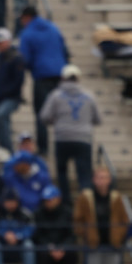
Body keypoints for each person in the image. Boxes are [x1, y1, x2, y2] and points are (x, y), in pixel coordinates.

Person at [40, 64, 100, 204]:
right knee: (84, 175)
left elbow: (44, 116)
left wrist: (57, 121)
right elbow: (98, 119)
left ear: (63, 78)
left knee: (62, 173)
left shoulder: (56, 95)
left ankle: (66, 202)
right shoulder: (88, 96)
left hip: (62, 138)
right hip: (83, 139)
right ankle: (86, 204)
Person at [74, 166, 129, 264]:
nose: (102, 181)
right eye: (99, 177)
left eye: (105, 177)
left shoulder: (116, 197)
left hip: (113, 245)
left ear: (110, 180)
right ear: (94, 179)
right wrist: (87, 234)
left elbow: (125, 220)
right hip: (94, 246)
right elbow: (77, 220)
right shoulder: (86, 197)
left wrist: (119, 235)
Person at [19, 6, 68, 151]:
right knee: (62, 113)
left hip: (42, 77)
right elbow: (64, 49)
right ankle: (63, 146)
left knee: (41, 114)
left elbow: (25, 59)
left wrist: (30, 68)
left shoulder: (27, 33)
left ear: (26, 17)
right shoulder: (53, 28)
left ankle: (43, 147)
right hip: (60, 75)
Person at [0, 28, 25, 152]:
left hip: (11, 97)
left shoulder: (16, 58)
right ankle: (3, 146)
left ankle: (7, 149)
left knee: (1, 115)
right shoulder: (0, 57)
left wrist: (3, 93)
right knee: (2, 120)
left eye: (0, 42)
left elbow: (18, 82)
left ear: (8, 41)